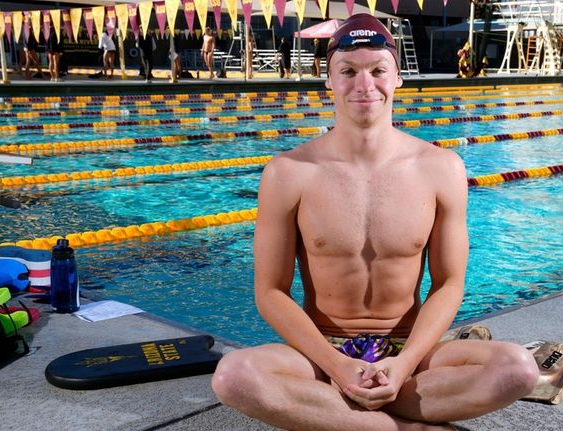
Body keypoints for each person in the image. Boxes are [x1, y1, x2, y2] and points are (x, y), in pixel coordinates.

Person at [212, 14, 539, 431]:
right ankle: (406, 426)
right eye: (347, 72)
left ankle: (336, 416)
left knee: (517, 370)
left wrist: (402, 366)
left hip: (410, 354)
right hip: (321, 355)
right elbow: (270, 292)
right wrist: (338, 366)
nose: (364, 86)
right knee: (234, 377)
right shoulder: (289, 172)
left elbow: (449, 285)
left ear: (397, 77)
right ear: (327, 80)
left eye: (377, 70)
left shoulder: (440, 168)